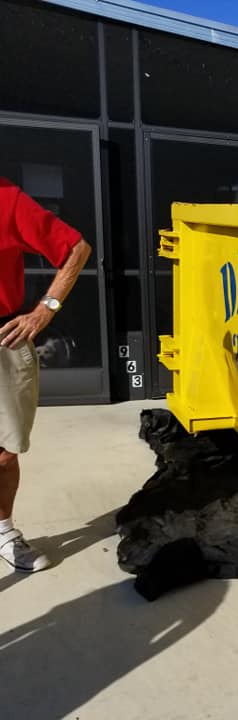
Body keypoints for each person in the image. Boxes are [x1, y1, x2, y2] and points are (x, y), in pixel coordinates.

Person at [0, 176, 91, 572]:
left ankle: (3, 532)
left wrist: (44, 310)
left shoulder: (6, 200)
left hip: (3, 339)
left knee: (4, 454)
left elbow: (76, 249)